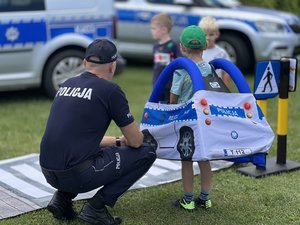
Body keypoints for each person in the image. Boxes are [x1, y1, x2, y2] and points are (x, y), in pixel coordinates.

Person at [40, 39, 156, 225]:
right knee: (147, 152)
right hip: (78, 174)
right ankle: (96, 208)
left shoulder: (67, 83)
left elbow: (77, 137)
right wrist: (135, 139)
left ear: (85, 63)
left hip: (47, 170)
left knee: (81, 154)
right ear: (113, 66)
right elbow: (135, 142)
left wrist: (118, 141)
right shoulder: (110, 90)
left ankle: (61, 200)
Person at [170, 25, 212, 211]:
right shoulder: (209, 68)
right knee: (204, 159)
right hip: (205, 120)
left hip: (186, 121)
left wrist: (172, 109)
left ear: (182, 46)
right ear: (206, 46)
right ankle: (205, 198)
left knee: (187, 160)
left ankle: (188, 200)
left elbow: (174, 96)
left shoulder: (181, 70)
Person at [150, 12, 181, 102]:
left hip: (169, 86)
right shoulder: (155, 46)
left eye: (154, 28)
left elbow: (179, 65)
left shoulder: (173, 46)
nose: (152, 31)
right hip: (156, 84)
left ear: (164, 30)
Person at [199, 16, 231, 88]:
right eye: (205, 35)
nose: (208, 37)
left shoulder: (221, 53)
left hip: (217, 87)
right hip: (201, 87)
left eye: (211, 34)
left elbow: (226, 73)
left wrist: (225, 90)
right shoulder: (198, 52)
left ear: (217, 34)